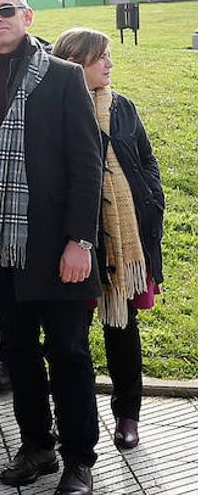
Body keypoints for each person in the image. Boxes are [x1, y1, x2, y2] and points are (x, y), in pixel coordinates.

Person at [0, 0, 102, 495]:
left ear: (28, 15)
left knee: (69, 354)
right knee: (17, 353)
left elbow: (88, 165)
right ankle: (37, 445)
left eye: (6, 10)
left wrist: (80, 241)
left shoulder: (62, 77)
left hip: (56, 246)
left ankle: (80, 458)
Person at [53, 27, 165, 452]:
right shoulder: (59, 107)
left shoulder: (122, 107)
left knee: (123, 327)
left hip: (126, 238)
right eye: (101, 56)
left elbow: (146, 157)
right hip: (78, 239)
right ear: (76, 61)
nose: (109, 63)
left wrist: (152, 199)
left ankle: (128, 415)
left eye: (110, 55)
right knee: (71, 336)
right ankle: (73, 418)